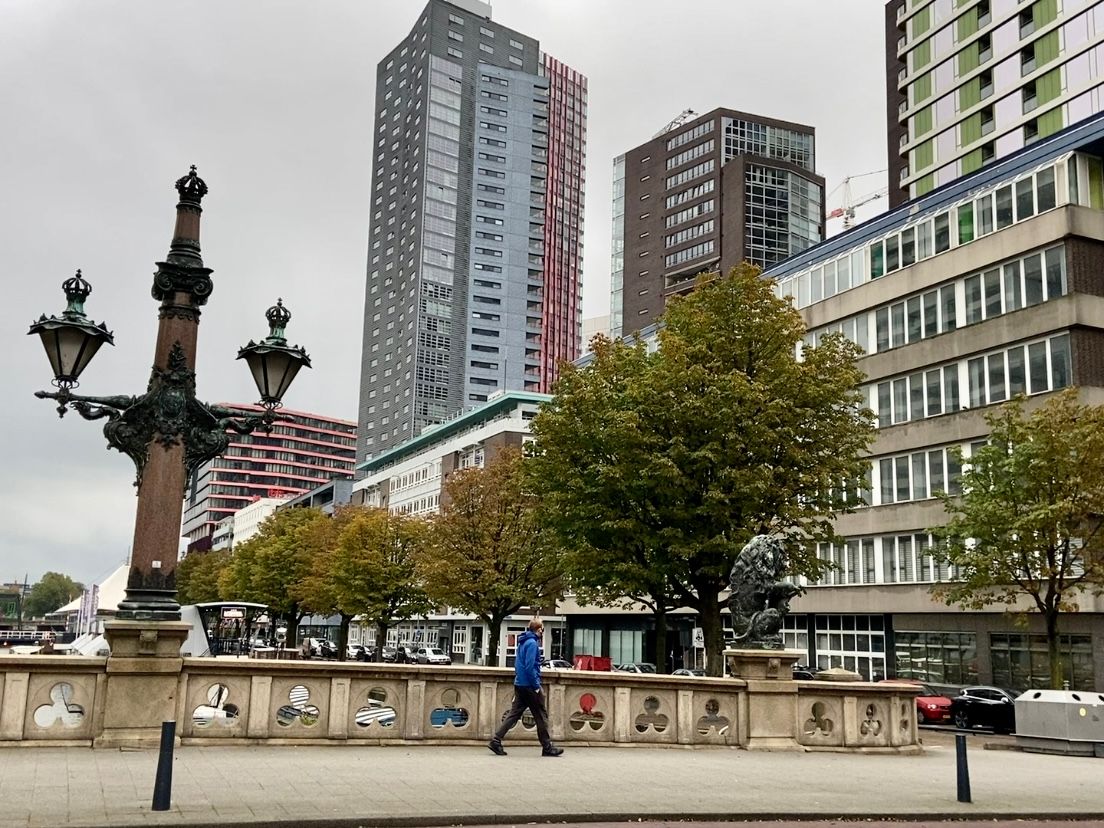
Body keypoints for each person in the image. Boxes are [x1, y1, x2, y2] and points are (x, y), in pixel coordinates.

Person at [488, 618, 563, 757]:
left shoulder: (522, 642)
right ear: (539, 629)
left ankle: (496, 740)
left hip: (520, 683)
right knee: (541, 715)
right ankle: (547, 747)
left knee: (514, 714)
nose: (542, 632)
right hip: (529, 685)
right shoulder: (532, 644)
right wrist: (536, 686)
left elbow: (519, 665)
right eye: (542, 629)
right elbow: (530, 667)